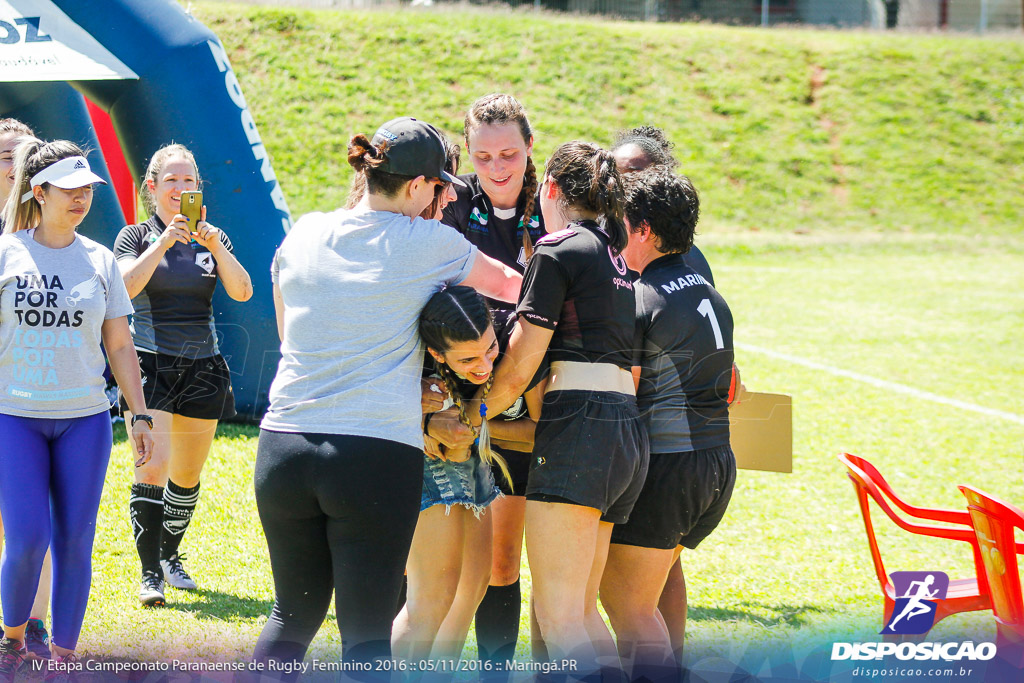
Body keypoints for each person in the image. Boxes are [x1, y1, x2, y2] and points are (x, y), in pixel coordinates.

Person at [253, 117, 522, 674]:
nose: (444, 197)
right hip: (370, 456)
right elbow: (514, 287)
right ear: (421, 186)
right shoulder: (428, 241)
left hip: (282, 446)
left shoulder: (303, 232)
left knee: (290, 617)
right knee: (367, 636)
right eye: (442, 187)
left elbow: (287, 335)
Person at [445, 140, 648, 677]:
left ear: (550, 189)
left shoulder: (558, 250)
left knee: (560, 619)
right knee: (580, 612)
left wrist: (470, 415)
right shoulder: (616, 254)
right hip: (625, 434)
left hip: (580, 430)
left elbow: (519, 363)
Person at [0, 139, 154, 676]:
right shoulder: (6, 251)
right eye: (70, 189)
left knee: (74, 539)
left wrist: (138, 413)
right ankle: (14, 636)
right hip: (14, 416)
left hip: (84, 420)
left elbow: (119, 345)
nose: (82, 198)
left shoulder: (102, 259)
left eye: (87, 188)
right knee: (27, 538)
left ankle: (64, 655)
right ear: (39, 192)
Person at [600, 168, 737, 681]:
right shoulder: (706, 286)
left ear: (643, 231)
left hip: (669, 468)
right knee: (640, 605)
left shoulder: (642, 296)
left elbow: (624, 391)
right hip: (716, 464)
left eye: (620, 226)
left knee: (630, 611)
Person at [114, 143, 253, 607]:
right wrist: (164, 242)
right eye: (171, 180)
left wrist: (213, 243)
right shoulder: (135, 236)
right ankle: (149, 573)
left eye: (188, 180)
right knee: (151, 464)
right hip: (150, 361)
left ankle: (171, 557)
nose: (181, 188)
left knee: (187, 476)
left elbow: (243, 291)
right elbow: (125, 289)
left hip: (204, 367)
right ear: (151, 188)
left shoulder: (214, 237)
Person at [440, 94, 546, 667]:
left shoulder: (553, 205)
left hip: (530, 403)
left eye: (509, 153)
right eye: (483, 157)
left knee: (504, 560)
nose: (498, 168)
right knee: (450, 561)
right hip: (462, 396)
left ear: (531, 147)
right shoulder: (453, 201)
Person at [394, 286, 545, 664]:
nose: (484, 365)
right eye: (467, 359)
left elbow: (541, 429)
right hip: (426, 466)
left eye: (489, 349)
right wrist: (423, 419)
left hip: (475, 465)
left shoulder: (512, 338)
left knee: (471, 589)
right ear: (435, 353)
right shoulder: (412, 359)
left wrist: (466, 418)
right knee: (432, 598)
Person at [0, 119, 54, 661]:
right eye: (4, 157)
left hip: (39, 400)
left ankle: (32, 624)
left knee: (32, 521)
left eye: (25, 156)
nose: (14, 165)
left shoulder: (56, 235)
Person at [610, 125, 714, 286]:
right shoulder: (598, 242)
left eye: (632, 175)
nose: (619, 185)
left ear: (661, 178)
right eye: (613, 175)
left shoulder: (686, 258)